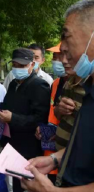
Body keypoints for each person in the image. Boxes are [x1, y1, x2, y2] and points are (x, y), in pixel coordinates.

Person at [21, 0, 94, 192]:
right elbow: (83, 148)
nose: (61, 47)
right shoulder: (88, 89)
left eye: (66, 35)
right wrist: (54, 159)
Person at [0, 48, 50, 192]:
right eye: (15, 65)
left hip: (29, 147)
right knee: (16, 184)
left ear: (32, 64)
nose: (18, 69)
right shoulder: (13, 84)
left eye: (22, 66)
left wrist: (13, 118)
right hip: (12, 144)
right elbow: (7, 105)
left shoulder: (39, 85)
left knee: (29, 185)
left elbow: (39, 118)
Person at [35, 43, 67, 183]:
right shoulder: (55, 83)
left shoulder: (79, 85)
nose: (55, 60)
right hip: (50, 145)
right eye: (53, 57)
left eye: (58, 55)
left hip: (67, 149)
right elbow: (50, 111)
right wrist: (42, 128)